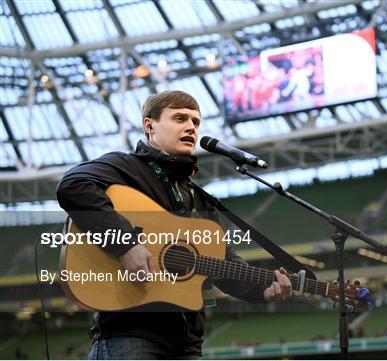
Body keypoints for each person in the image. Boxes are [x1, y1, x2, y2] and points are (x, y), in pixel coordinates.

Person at [56, 90, 293, 359]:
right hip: (129, 335)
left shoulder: (197, 197)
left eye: (195, 122)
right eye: (180, 118)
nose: (191, 127)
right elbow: (73, 185)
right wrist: (125, 244)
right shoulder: (125, 167)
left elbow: (223, 264)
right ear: (150, 125)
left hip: (188, 343)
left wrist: (264, 289)